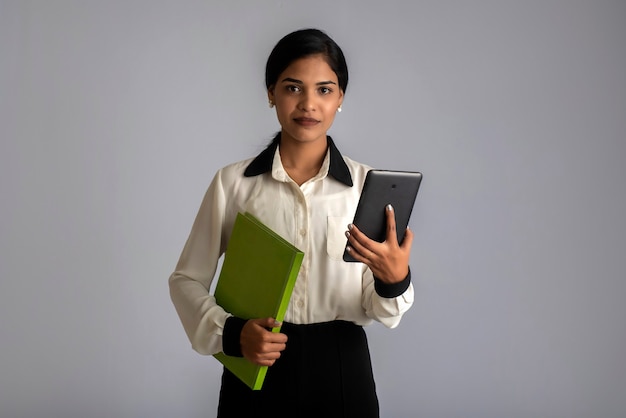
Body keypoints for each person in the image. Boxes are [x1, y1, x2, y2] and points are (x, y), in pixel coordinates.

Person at [169, 28, 415, 418]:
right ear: (271, 93)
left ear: (340, 99)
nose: (308, 105)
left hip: (341, 368)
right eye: (293, 87)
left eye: (324, 90)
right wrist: (233, 334)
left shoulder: (366, 189)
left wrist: (394, 279)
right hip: (257, 362)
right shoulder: (233, 184)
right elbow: (185, 280)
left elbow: (385, 311)